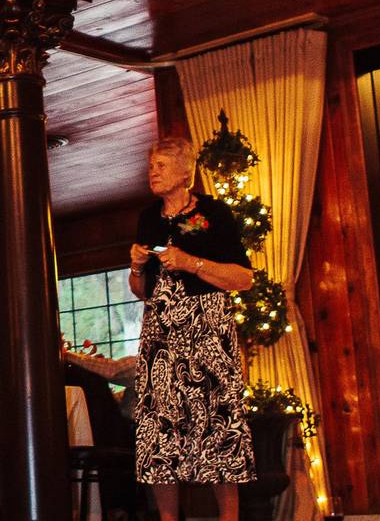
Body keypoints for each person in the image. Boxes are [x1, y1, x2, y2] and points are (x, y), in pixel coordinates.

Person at [129, 137, 255, 521]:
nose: (153, 171)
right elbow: (141, 291)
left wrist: (192, 263)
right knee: (160, 427)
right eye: (151, 165)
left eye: (162, 165)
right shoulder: (148, 218)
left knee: (219, 422)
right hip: (161, 338)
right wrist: (134, 267)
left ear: (185, 172)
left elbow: (244, 278)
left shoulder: (214, 214)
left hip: (207, 333)